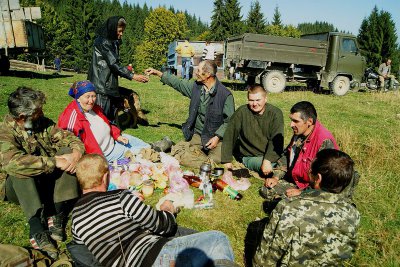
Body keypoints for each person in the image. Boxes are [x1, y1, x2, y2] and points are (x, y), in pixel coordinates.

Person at [71, 153, 236, 267]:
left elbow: (84, 254)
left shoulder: (76, 220)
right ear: (106, 176)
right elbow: (162, 226)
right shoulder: (120, 197)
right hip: (154, 257)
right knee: (218, 239)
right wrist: (168, 210)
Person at [0, 87, 85, 260]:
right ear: (23, 117)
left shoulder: (42, 123)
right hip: (18, 188)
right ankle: (36, 226)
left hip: (45, 180)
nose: (42, 112)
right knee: (21, 167)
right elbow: (11, 163)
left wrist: (75, 153)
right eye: (38, 111)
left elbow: (69, 138)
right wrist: (54, 162)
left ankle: (57, 214)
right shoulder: (5, 132)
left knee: (66, 151)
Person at [253, 149, 360, 266]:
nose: (308, 171)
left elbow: (263, 262)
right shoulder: (353, 215)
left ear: (318, 178)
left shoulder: (288, 208)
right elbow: (347, 252)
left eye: (311, 169)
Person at [145, 60, 235, 168]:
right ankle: (196, 156)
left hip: (217, 138)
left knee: (217, 160)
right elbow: (178, 83)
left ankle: (203, 159)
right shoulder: (196, 87)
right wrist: (158, 73)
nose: (195, 73)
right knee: (182, 153)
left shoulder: (225, 95)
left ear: (207, 75)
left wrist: (217, 137)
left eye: (198, 71)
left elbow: (230, 121)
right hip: (199, 135)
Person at [260, 101, 338, 200]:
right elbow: (286, 156)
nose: (291, 124)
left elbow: (327, 179)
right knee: (266, 190)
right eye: (291, 120)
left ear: (309, 121)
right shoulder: (299, 133)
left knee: (287, 202)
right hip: (296, 182)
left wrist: (302, 192)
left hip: (314, 189)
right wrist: (276, 177)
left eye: (296, 121)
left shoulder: (324, 141)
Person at [58, 80, 151, 163]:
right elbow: (68, 144)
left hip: (115, 141)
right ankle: (157, 151)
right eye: (87, 97)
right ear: (78, 98)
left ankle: (155, 147)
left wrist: (117, 135)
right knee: (145, 153)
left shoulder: (95, 108)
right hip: (106, 154)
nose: (91, 101)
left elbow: (108, 123)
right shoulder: (72, 117)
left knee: (146, 146)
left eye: (93, 96)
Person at [87, 16, 149, 121]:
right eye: (119, 31)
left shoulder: (112, 41)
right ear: (112, 28)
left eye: (123, 31)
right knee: (101, 120)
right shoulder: (104, 42)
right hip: (102, 87)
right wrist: (132, 76)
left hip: (108, 86)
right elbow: (114, 63)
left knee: (110, 120)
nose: (121, 34)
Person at [221, 84, 284, 176]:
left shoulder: (275, 113)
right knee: (275, 167)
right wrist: (227, 160)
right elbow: (230, 135)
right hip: (250, 156)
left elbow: (276, 139)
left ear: (265, 99)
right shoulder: (242, 112)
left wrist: (267, 160)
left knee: (289, 161)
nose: (254, 104)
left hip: (269, 154)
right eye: (251, 100)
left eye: (258, 100)